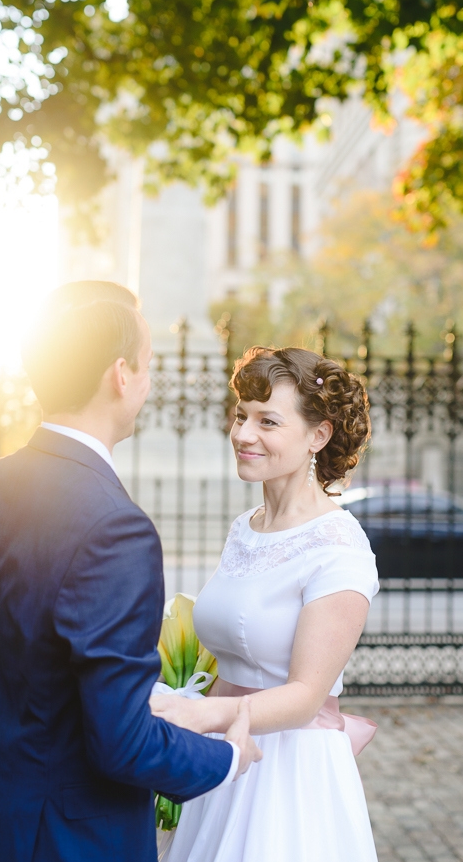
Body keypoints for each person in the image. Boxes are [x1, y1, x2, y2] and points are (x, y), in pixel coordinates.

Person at [0, 281, 261, 862]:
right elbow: (122, 742)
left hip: (5, 816)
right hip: (82, 838)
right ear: (120, 374)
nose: (148, 380)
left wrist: (28, 750)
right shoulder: (117, 528)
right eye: (147, 365)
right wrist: (228, 758)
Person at [151, 346, 380, 862]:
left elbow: (303, 696)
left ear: (317, 436)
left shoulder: (339, 549)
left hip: (288, 774)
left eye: (267, 421)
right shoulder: (246, 528)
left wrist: (193, 715)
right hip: (225, 761)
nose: (243, 434)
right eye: (240, 416)